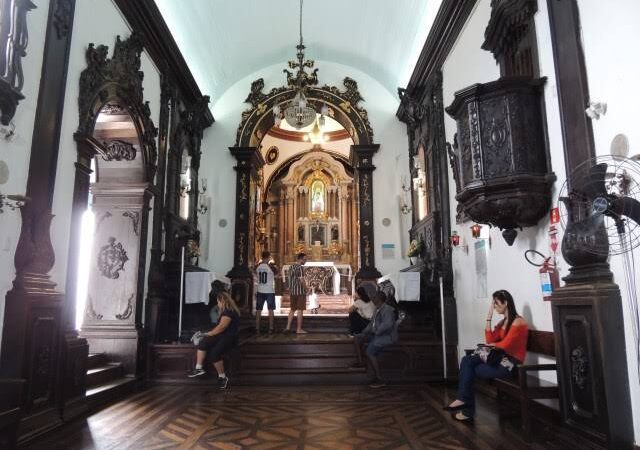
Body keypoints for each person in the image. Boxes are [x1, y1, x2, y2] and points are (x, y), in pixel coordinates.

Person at [444, 289, 529, 421]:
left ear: (505, 302)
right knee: (467, 361)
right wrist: (489, 317)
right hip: (499, 360)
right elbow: (490, 339)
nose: (494, 307)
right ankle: (463, 403)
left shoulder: (518, 322)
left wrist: (492, 346)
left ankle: (466, 409)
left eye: (495, 303)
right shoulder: (503, 322)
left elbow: (505, 345)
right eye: (493, 304)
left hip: (511, 365)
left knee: (468, 368)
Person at [187, 291, 241, 389]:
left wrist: (208, 333)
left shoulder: (229, 311)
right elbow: (218, 329)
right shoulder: (225, 311)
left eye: (218, 302)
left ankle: (222, 377)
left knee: (214, 353)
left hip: (229, 338)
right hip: (221, 336)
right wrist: (203, 335)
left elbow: (222, 327)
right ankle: (199, 368)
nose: (218, 304)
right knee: (203, 343)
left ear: (222, 301)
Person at [353, 290, 397, 388]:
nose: (372, 298)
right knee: (357, 338)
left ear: (379, 298)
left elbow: (387, 324)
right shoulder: (378, 309)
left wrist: (376, 331)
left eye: (374, 297)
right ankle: (361, 362)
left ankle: (379, 378)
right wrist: (364, 333)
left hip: (386, 337)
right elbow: (371, 324)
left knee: (369, 352)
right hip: (377, 335)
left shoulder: (387, 309)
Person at [284, 252, 308, 334]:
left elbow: (289, 279)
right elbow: (301, 280)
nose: (305, 261)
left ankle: (287, 327)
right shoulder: (300, 267)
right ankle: (299, 329)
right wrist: (307, 289)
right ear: (300, 259)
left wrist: (290, 288)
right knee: (300, 310)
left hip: (293, 291)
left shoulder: (291, 267)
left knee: (292, 309)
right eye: (304, 259)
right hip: (300, 292)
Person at [255, 251, 278, 334]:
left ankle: (257, 328)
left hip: (260, 290)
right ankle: (271, 328)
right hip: (269, 291)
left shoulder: (257, 266)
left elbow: (255, 274)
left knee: (258, 310)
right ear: (268, 257)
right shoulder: (271, 267)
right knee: (270, 310)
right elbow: (276, 275)